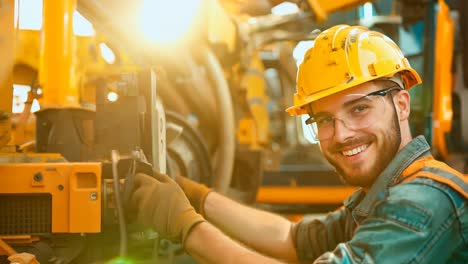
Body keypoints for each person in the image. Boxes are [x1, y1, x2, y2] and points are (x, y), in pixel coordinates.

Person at [127, 25, 468, 263]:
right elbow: (293, 240)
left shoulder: (422, 202)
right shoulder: (384, 191)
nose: (342, 133)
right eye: (323, 120)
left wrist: (186, 228)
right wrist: (197, 197)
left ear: (402, 105)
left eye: (359, 108)